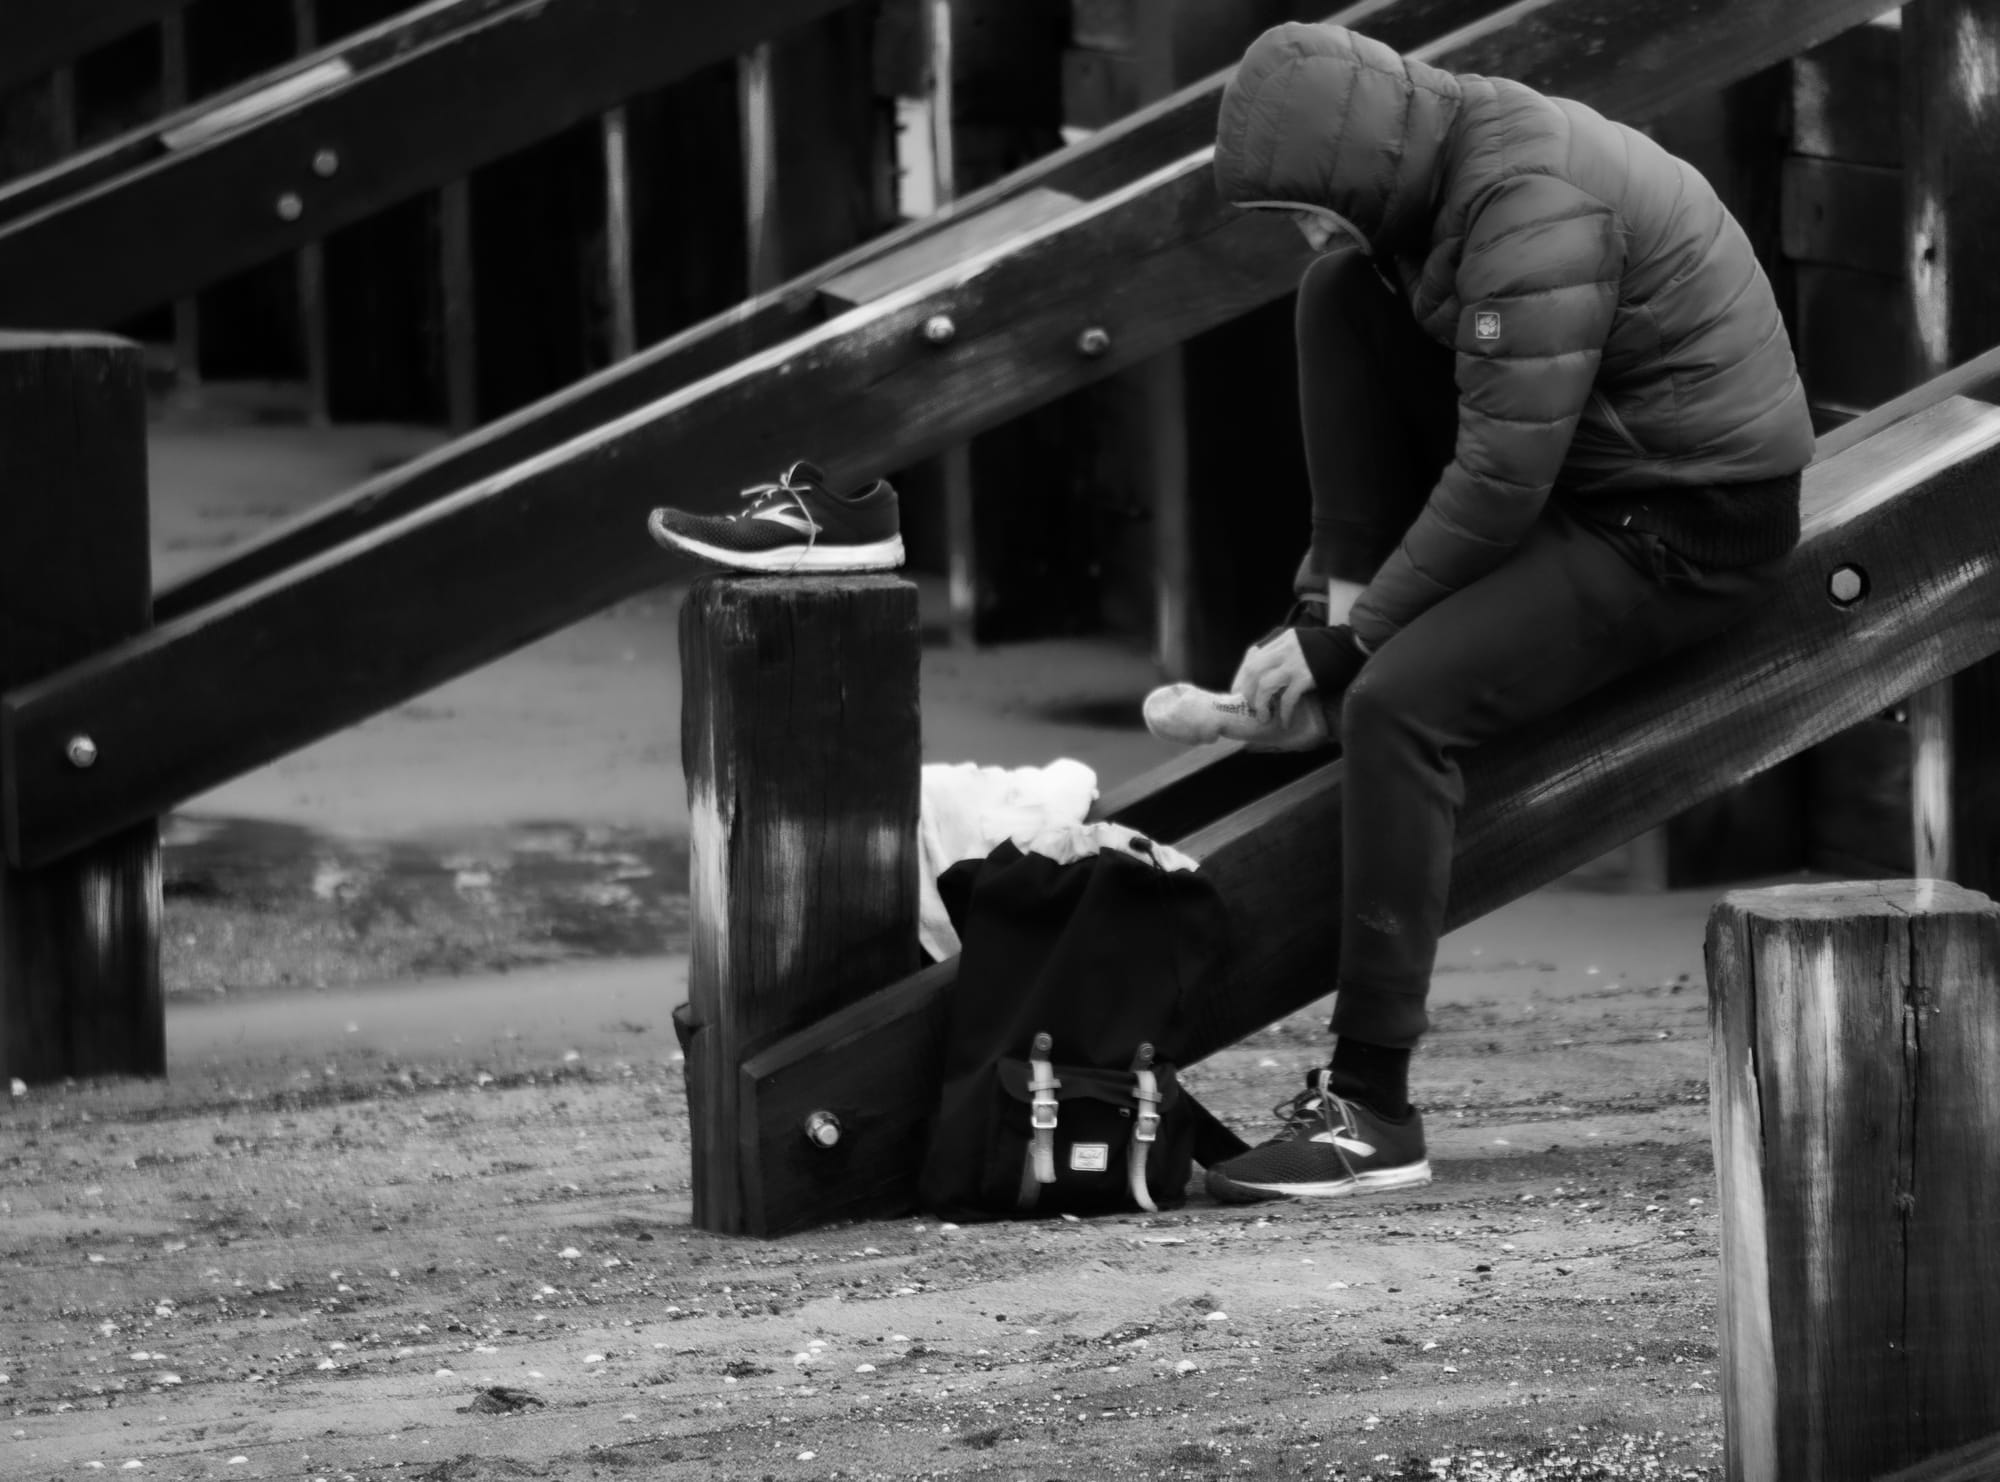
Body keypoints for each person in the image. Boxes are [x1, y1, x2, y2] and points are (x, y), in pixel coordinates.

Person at [1187, 22, 1814, 1203]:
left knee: (1398, 710)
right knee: (1336, 297)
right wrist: (1324, 613)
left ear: (1357, 166)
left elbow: (1499, 480)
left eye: (1304, 207)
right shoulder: (1440, 181)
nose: (1305, 231)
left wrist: (1353, 652)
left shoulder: (1529, 202)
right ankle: (1340, 622)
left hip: (1680, 516)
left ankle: (1370, 1107)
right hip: (1591, 469)